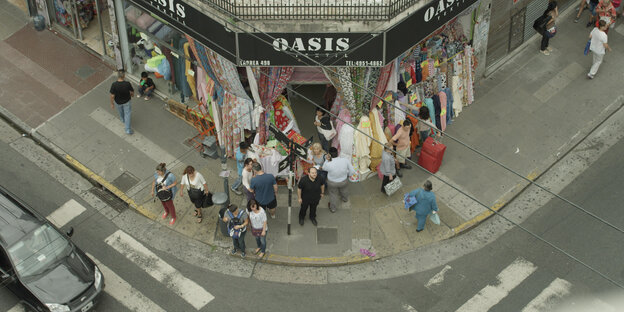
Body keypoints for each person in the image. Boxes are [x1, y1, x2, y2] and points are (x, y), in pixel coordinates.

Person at [322, 147, 355, 213]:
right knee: (344, 190)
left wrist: (327, 160)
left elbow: (323, 168)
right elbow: (352, 171)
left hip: (332, 182)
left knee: (333, 195)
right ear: (338, 153)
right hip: (343, 180)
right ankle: (345, 199)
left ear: (329, 155)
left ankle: (333, 208)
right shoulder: (345, 160)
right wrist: (348, 175)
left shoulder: (328, 163)